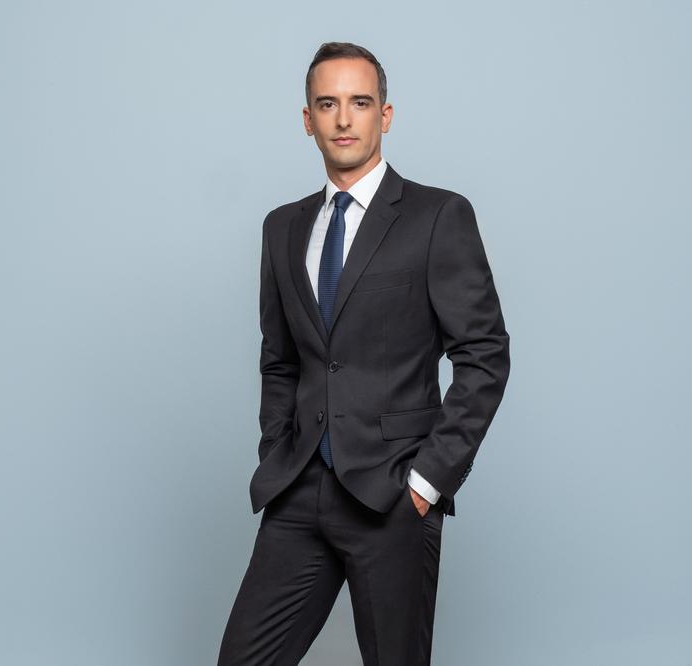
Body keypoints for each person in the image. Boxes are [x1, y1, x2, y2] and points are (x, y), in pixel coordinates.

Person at [218, 41, 511, 665]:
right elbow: (281, 361)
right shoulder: (282, 227)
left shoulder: (437, 216)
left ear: (386, 114)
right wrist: (278, 452)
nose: (344, 118)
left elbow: (485, 355)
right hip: (299, 490)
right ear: (308, 120)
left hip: (393, 495)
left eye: (360, 102)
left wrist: (426, 484)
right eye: (328, 104)